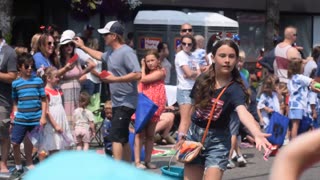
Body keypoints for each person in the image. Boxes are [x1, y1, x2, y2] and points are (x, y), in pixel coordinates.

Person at [182, 39, 271, 180]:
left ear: (236, 60)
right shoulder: (202, 80)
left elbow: (243, 112)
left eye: (231, 56)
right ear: (213, 57)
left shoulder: (235, 88)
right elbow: (190, 109)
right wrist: (182, 135)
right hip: (194, 136)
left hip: (218, 141)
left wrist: (257, 133)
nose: (227, 60)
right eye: (222, 56)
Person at [73, 20, 141, 162]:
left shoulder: (127, 52)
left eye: (106, 34)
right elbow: (99, 55)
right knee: (121, 138)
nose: (103, 37)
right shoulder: (111, 52)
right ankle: (128, 169)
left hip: (126, 102)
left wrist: (115, 79)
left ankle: (116, 171)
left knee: (115, 136)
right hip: (118, 102)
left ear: (114, 36)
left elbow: (137, 74)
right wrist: (83, 47)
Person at [10, 53, 47, 179]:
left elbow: (43, 100)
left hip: (36, 118)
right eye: (26, 66)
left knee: (38, 145)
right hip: (20, 119)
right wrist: (14, 115)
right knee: (15, 143)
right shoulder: (15, 84)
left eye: (32, 66)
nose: (30, 68)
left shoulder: (38, 81)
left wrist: (43, 117)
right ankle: (18, 167)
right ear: (20, 67)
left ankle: (35, 167)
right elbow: (15, 100)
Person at [133, 50, 166, 169]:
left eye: (152, 60)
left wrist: (142, 68)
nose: (150, 63)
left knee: (150, 135)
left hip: (154, 106)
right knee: (139, 134)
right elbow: (140, 83)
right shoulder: (143, 73)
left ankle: (147, 160)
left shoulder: (161, 71)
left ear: (158, 60)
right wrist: (142, 67)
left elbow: (144, 79)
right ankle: (137, 161)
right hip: (143, 105)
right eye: (147, 61)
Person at [58, 30, 95, 129]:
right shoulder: (58, 59)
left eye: (71, 44)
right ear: (62, 47)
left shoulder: (77, 56)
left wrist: (81, 73)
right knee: (66, 115)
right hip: (65, 90)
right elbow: (57, 76)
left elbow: (92, 64)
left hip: (77, 89)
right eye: (66, 45)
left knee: (77, 115)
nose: (69, 47)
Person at [41, 67, 74, 155]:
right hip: (52, 122)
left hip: (60, 119)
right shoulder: (45, 92)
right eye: (56, 77)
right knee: (53, 144)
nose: (58, 79)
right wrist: (55, 125)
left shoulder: (58, 90)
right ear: (48, 78)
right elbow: (46, 111)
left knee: (61, 145)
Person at [175, 35, 201, 141]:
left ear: (192, 45)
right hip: (184, 89)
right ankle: (179, 145)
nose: (186, 46)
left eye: (189, 44)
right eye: (184, 43)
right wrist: (192, 73)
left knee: (190, 119)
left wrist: (192, 73)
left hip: (193, 88)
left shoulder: (192, 56)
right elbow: (189, 73)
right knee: (185, 120)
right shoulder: (180, 55)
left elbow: (198, 73)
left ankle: (184, 144)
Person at [0, 30, 18, 173]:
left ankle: (3, 163)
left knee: (3, 133)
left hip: (3, 101)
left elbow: (12, 76)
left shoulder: (9, 53)